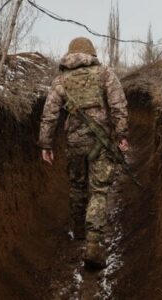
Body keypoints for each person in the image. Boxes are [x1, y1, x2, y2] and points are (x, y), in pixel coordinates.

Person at [38, 37, 129, 269]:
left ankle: (78, 232)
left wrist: (46, 145)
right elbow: (118, 106)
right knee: (98, 191)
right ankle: (93, 244)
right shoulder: (105, 74)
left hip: (74, 144)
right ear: (91, 53)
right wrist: (122, 135)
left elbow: (49, 115)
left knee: (77, 186)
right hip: (101, 144)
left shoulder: (61, 80)